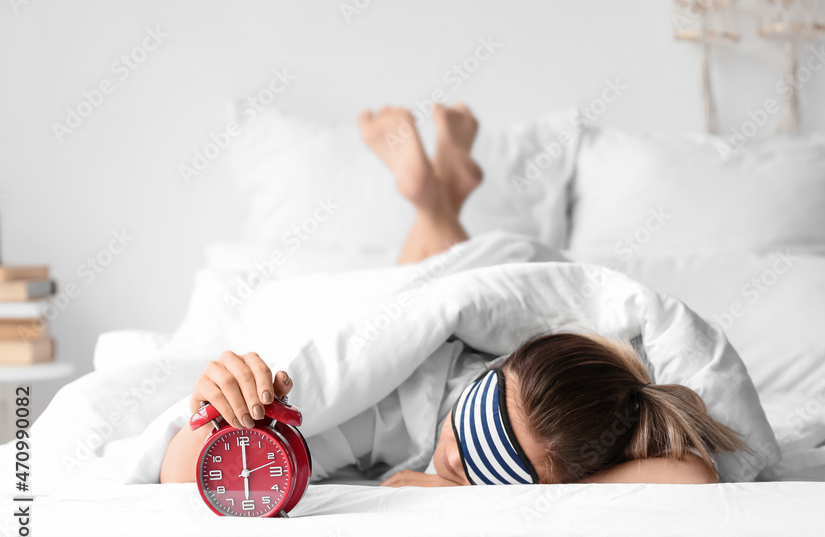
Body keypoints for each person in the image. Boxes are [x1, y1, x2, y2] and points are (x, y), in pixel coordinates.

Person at [159, 104, 746, 487]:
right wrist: (221, 412)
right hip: (484, 282)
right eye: (475, 420)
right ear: (496, 366)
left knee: (435, 259)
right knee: (437, 282)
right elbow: (188, 476)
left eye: (499, 463)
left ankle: (436, 198)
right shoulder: (399, 404)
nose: (459, 456)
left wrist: (447, 493)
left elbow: (692, 478)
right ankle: (435, 198)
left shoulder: (597, 437)